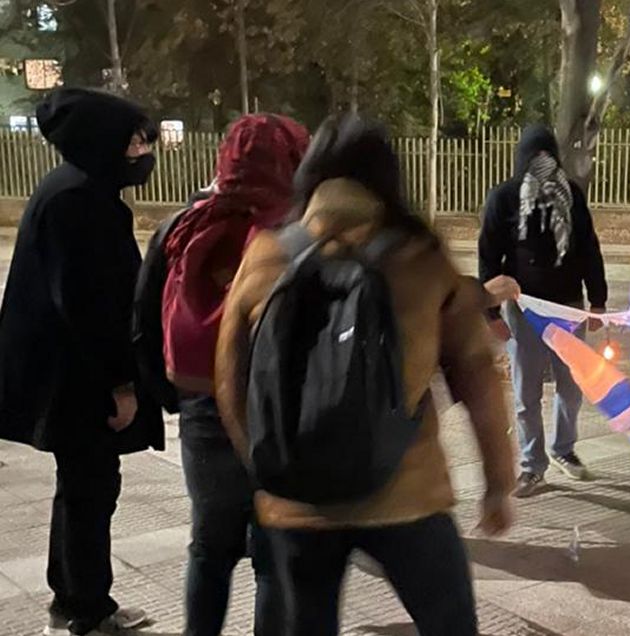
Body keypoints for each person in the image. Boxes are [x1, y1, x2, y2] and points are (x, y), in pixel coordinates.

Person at [214, 115, 514, 636]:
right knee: (450, 624)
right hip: (407, 496)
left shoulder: (267, 255)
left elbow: (231, 380)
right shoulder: (420, 257)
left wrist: (270, 469)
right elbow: (478, 378)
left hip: (297, 502)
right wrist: (498, 485)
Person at [0, 87, 162, 636]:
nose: (142, 152)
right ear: (101, 141)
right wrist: (118, 385)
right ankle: (84, 612)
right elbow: (89, 306)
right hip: (73, 380)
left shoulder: (73, 188)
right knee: (91, 487)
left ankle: (76, 600)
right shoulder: (80, 201)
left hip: (65, 374)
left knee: (84, 486)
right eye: (134, 141)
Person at [162, 114, 309, 636]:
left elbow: (144, 313)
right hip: (275, 412)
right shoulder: (295, 234)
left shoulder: (187, 222)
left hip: (202, 407)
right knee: (273, 554)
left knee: (209, 546)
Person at [478, 124, 609, 498]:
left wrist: (597, 301)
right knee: (526, 393)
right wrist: (491, 316)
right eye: (534, 158)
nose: (542, 165)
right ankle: (532, 466)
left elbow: (588, 250)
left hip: (567, 307)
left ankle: (564, 449)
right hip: (524, 310)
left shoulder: (572, 197)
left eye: (548, 157)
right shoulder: (504, 198)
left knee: (571, 388)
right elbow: (489, 258)